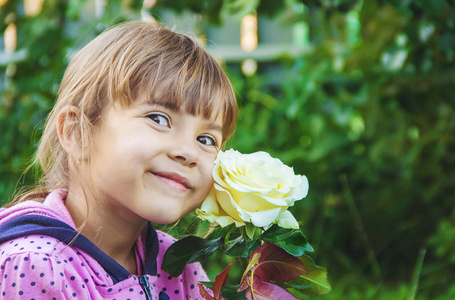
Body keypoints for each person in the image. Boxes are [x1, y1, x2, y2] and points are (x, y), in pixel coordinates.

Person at [0, 20, 237, 300]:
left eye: (206, 140)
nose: (187, 152)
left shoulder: (179, 267)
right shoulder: (35, 266)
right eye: (159, 119)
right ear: (77, 133)